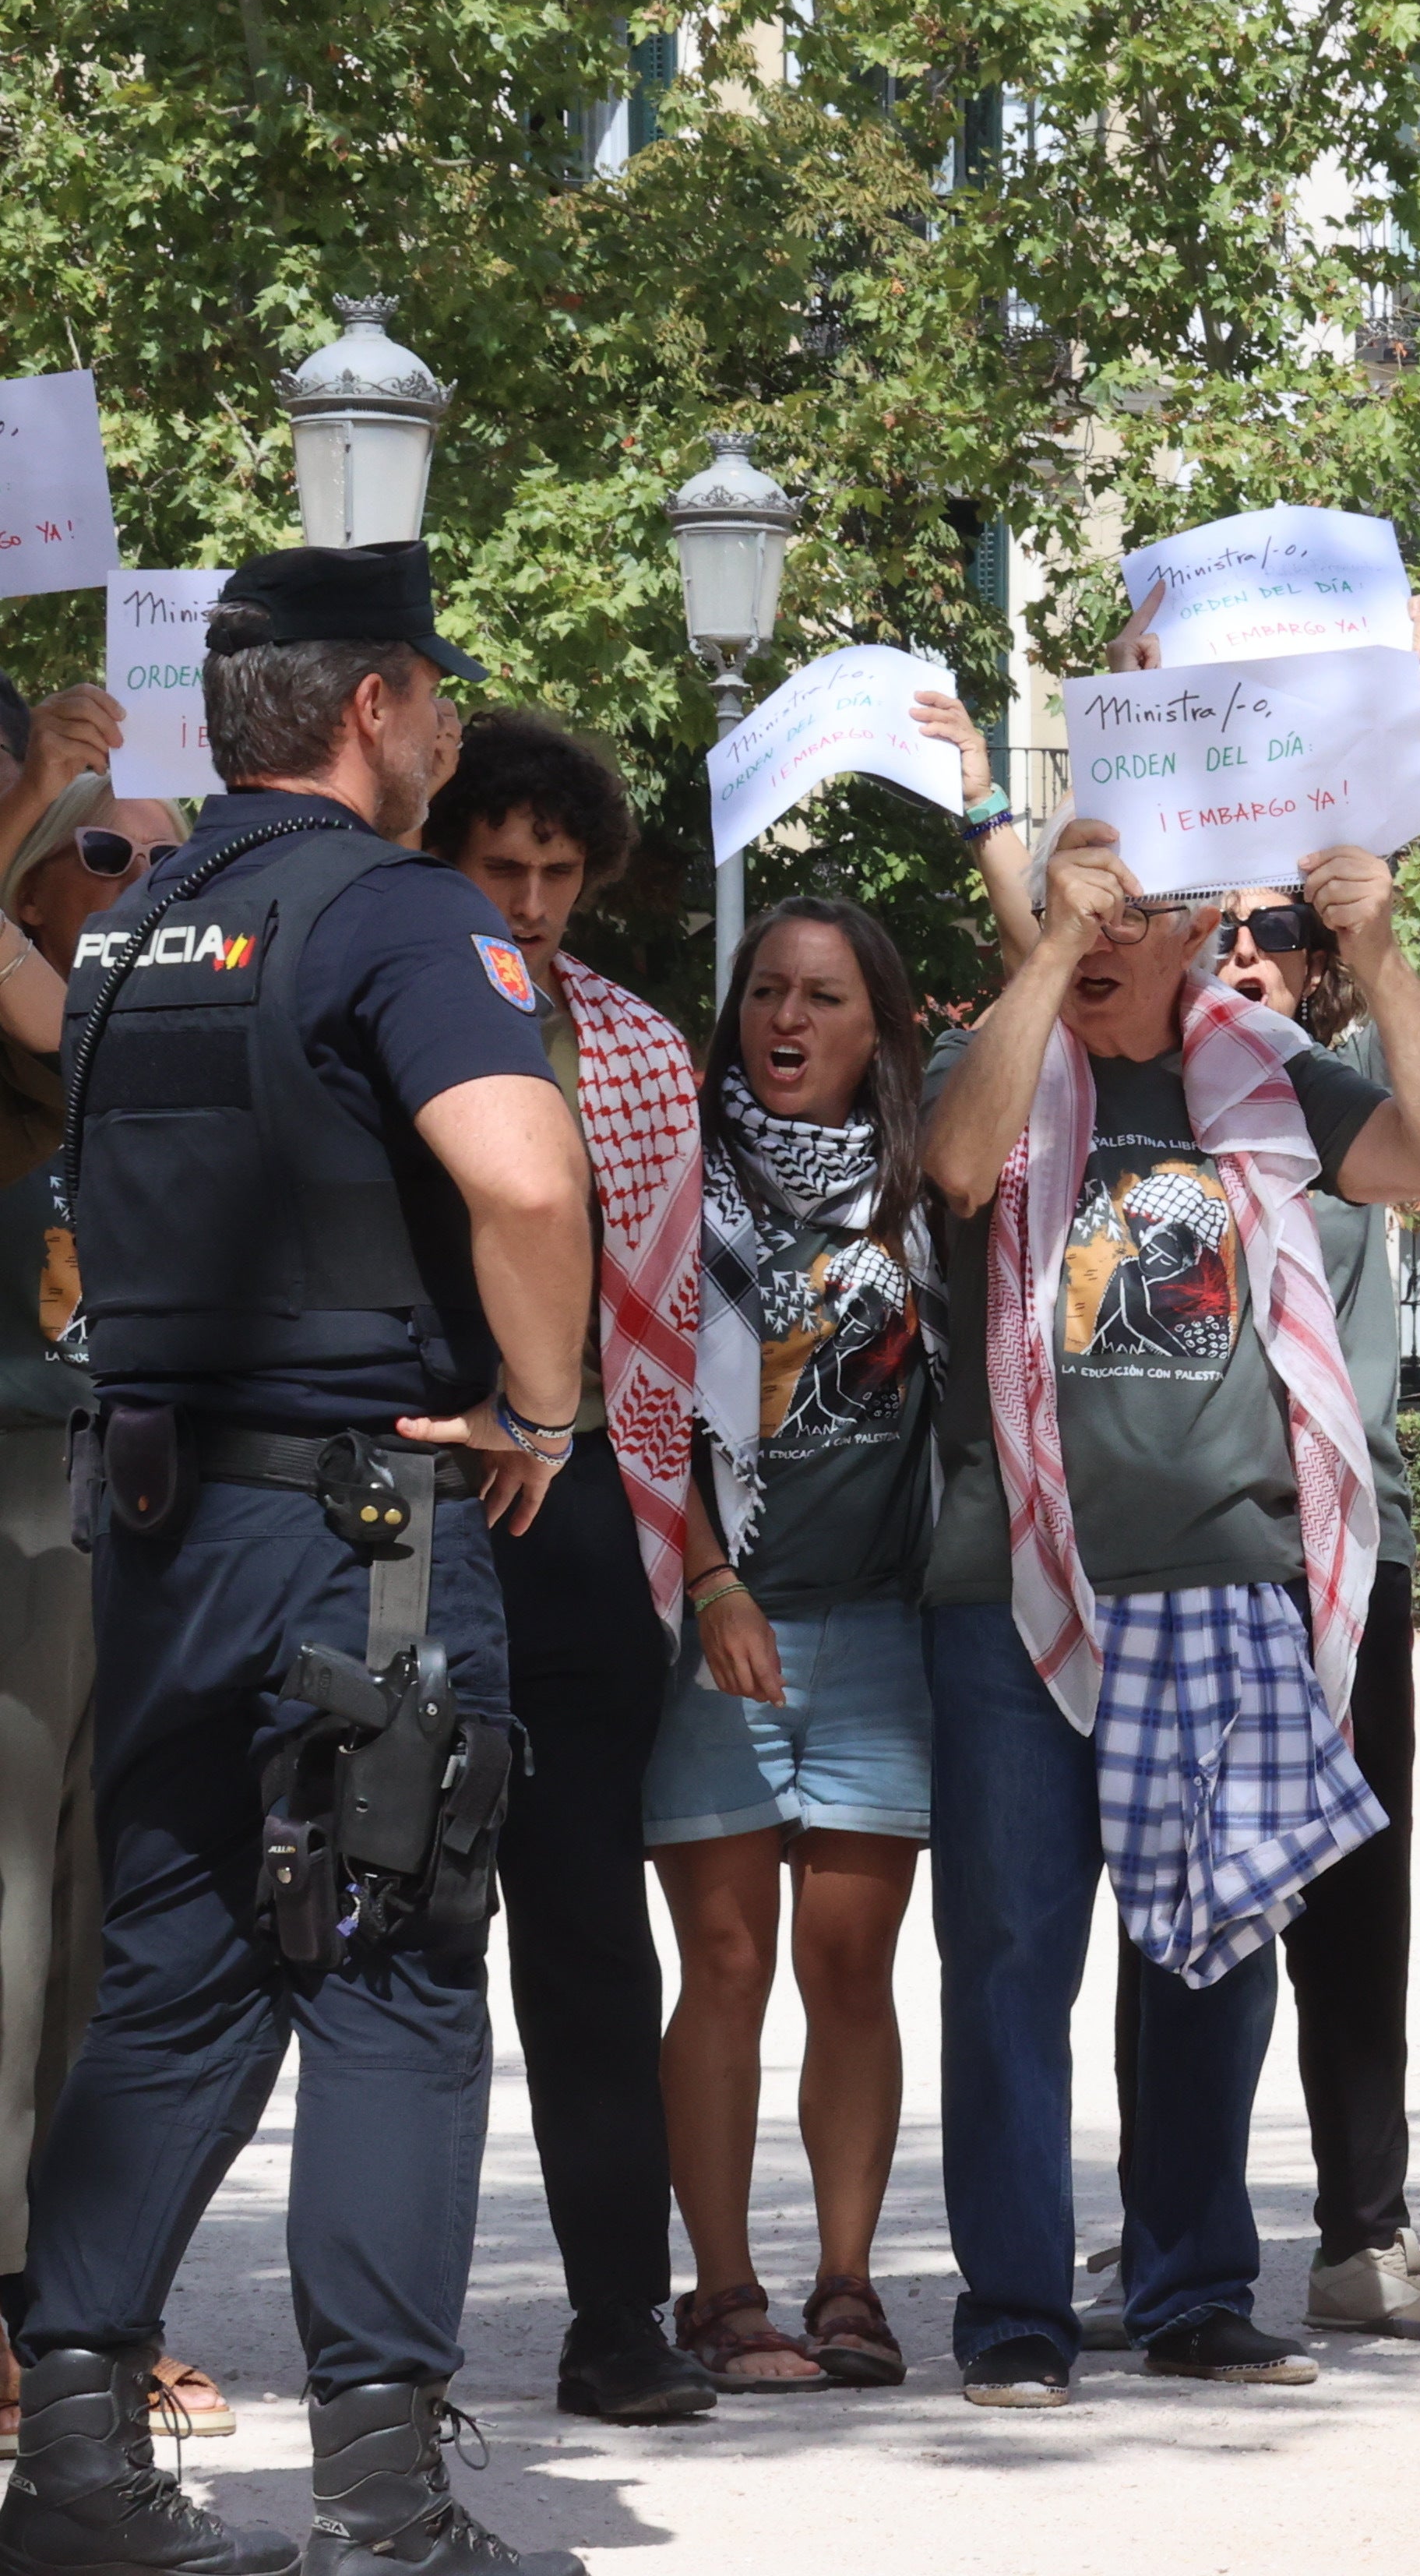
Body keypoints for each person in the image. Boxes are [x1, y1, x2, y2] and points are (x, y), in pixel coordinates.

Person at [3, 541, 597, 2576]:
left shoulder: (143, 926)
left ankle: (73, 2473)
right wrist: (544, 1405)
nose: (450, 725)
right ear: (376, 707)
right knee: (394, 1986)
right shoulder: (401, 919)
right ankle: (384, 2509)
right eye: (437, 693)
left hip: (161, 1538)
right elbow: (525, 1185)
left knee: (168, 1985)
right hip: (369, 1544)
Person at [917, 766, 1420, 2410]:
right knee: (1015, 1954)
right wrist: (1042, 959)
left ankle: (1191, 2287)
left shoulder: (1258, 1067)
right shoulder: (1000, 1058)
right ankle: (1018, 2310)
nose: (1114, 927)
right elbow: (961, 1173)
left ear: (1202, 930)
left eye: (1146, 905)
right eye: (1090, 892)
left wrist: (1384, 955)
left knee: (1218, 1953)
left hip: (1227, 1575)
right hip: (1017, 1579)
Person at [419, 713, 721, 2424]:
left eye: (556, 871)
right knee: (391, 1920)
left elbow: (669, 1312)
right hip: (417, 1487)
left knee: (593, 1926)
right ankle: (382, 2337)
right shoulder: (376, 1004)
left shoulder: (637, 1041)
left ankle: (620, 2315)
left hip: (590, 1501)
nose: (533, 899)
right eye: (500, 866)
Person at [636, 897, 944, 2394]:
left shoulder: (923, 1186)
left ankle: (845, 2285)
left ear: (875, 1024)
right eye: (767, 992)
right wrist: (710, 1584)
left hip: (878, 1626)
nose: (788, 1021)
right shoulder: (678, 1171)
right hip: (719, 1626)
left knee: (851, 1965)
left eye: (824, 997)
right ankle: (723, 2290)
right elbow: (641, 1400)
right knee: (727, 1956)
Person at [0, 747, 232, 2457]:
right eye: (103, 852)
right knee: (8, 1935)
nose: (143, 884)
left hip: (152, 1512)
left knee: (109, 1937)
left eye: (174, 859)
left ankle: (83, 2312)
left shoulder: (158, 1040)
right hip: (16, 1505)